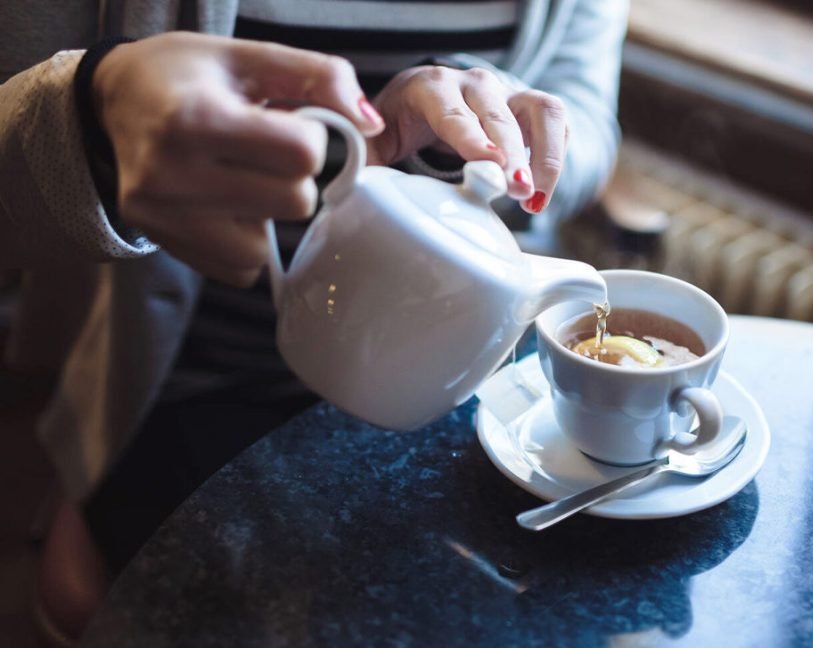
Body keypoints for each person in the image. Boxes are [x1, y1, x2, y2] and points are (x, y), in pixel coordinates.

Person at [0, 0, 628, 641]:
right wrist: (86, 122)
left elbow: (585, 115)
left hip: (437, 406)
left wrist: (479, 134)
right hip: (175, 381)